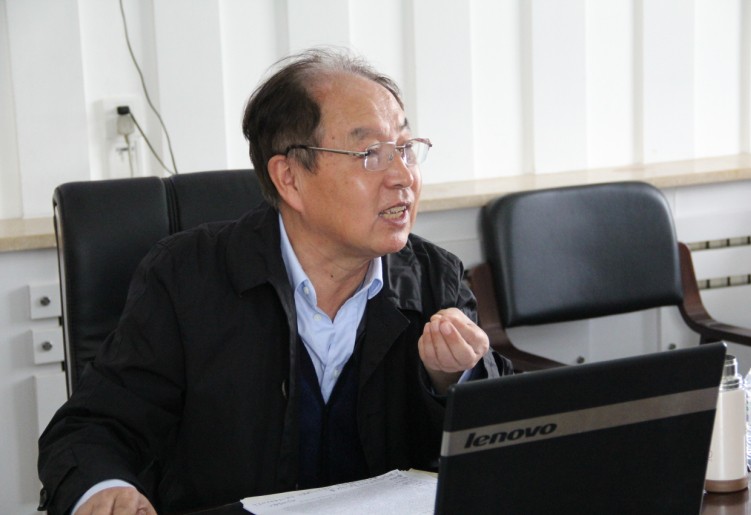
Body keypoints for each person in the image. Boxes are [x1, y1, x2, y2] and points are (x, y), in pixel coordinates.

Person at [37, 47, 512, 515]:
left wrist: (456, 378)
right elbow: (93, 427)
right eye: (371, 153)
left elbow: (508, 441)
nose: (403, 176)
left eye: (406, 149)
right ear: (289, 178)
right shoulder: (186, 277)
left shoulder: (436, 278)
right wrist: (105, 489)